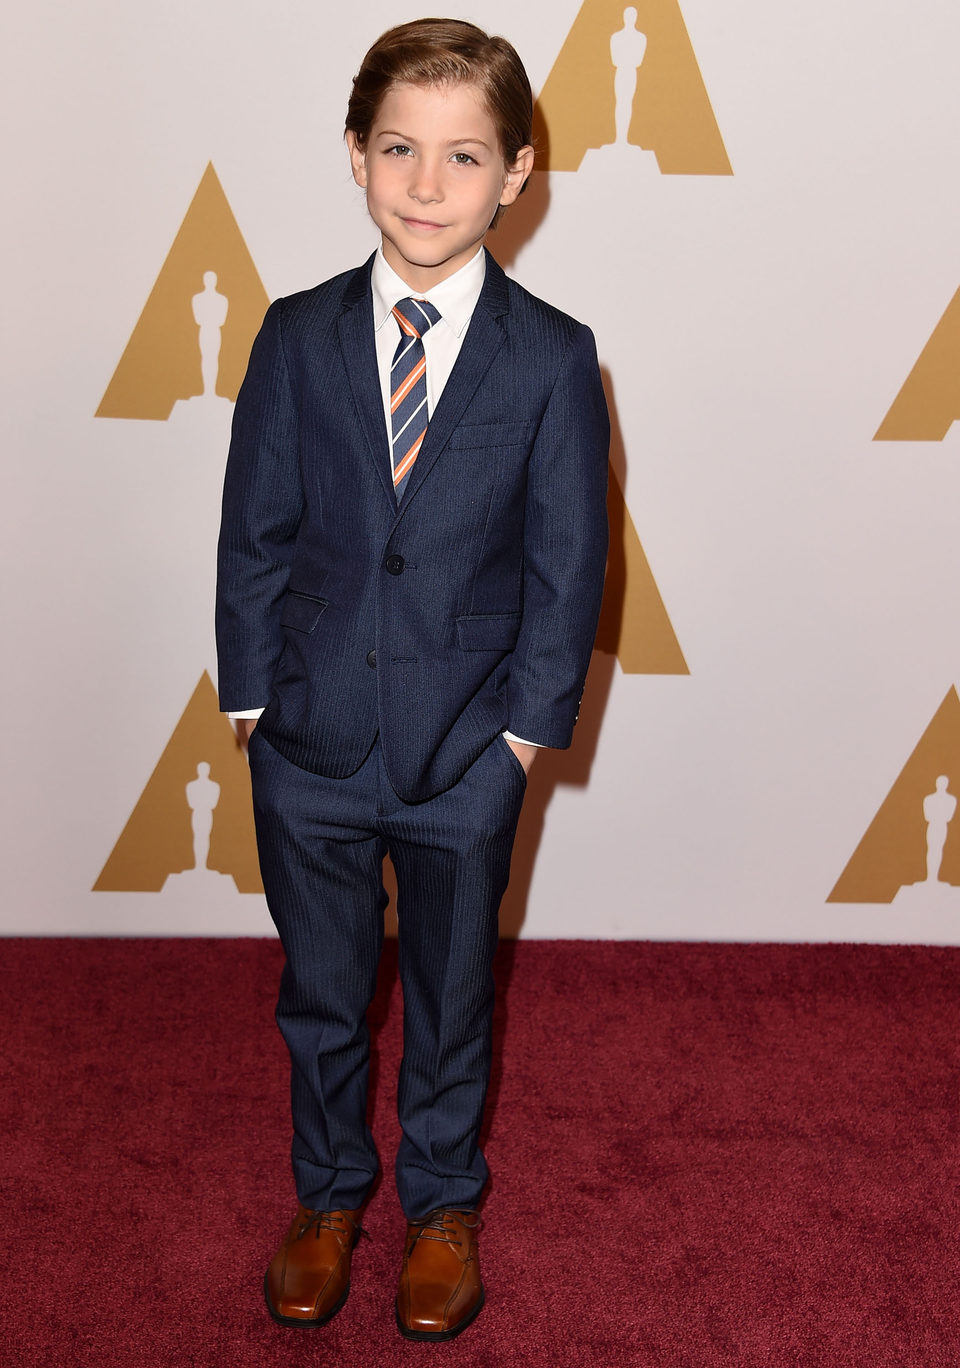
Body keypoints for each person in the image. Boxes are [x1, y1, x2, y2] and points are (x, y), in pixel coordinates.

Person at [216, 17, 609, 1342]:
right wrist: (254, 710)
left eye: (462, 156)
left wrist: (521, 743)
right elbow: (254, 531)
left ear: (516, 174)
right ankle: (329, 1194)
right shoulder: (292, 334)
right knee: (321, 992)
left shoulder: (554, 358)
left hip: (464, 762)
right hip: (308, 747)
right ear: (354, 155)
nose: (426, 186)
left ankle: (443, 1203)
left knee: (449, 997)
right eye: (399, 149)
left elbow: (568, 564)